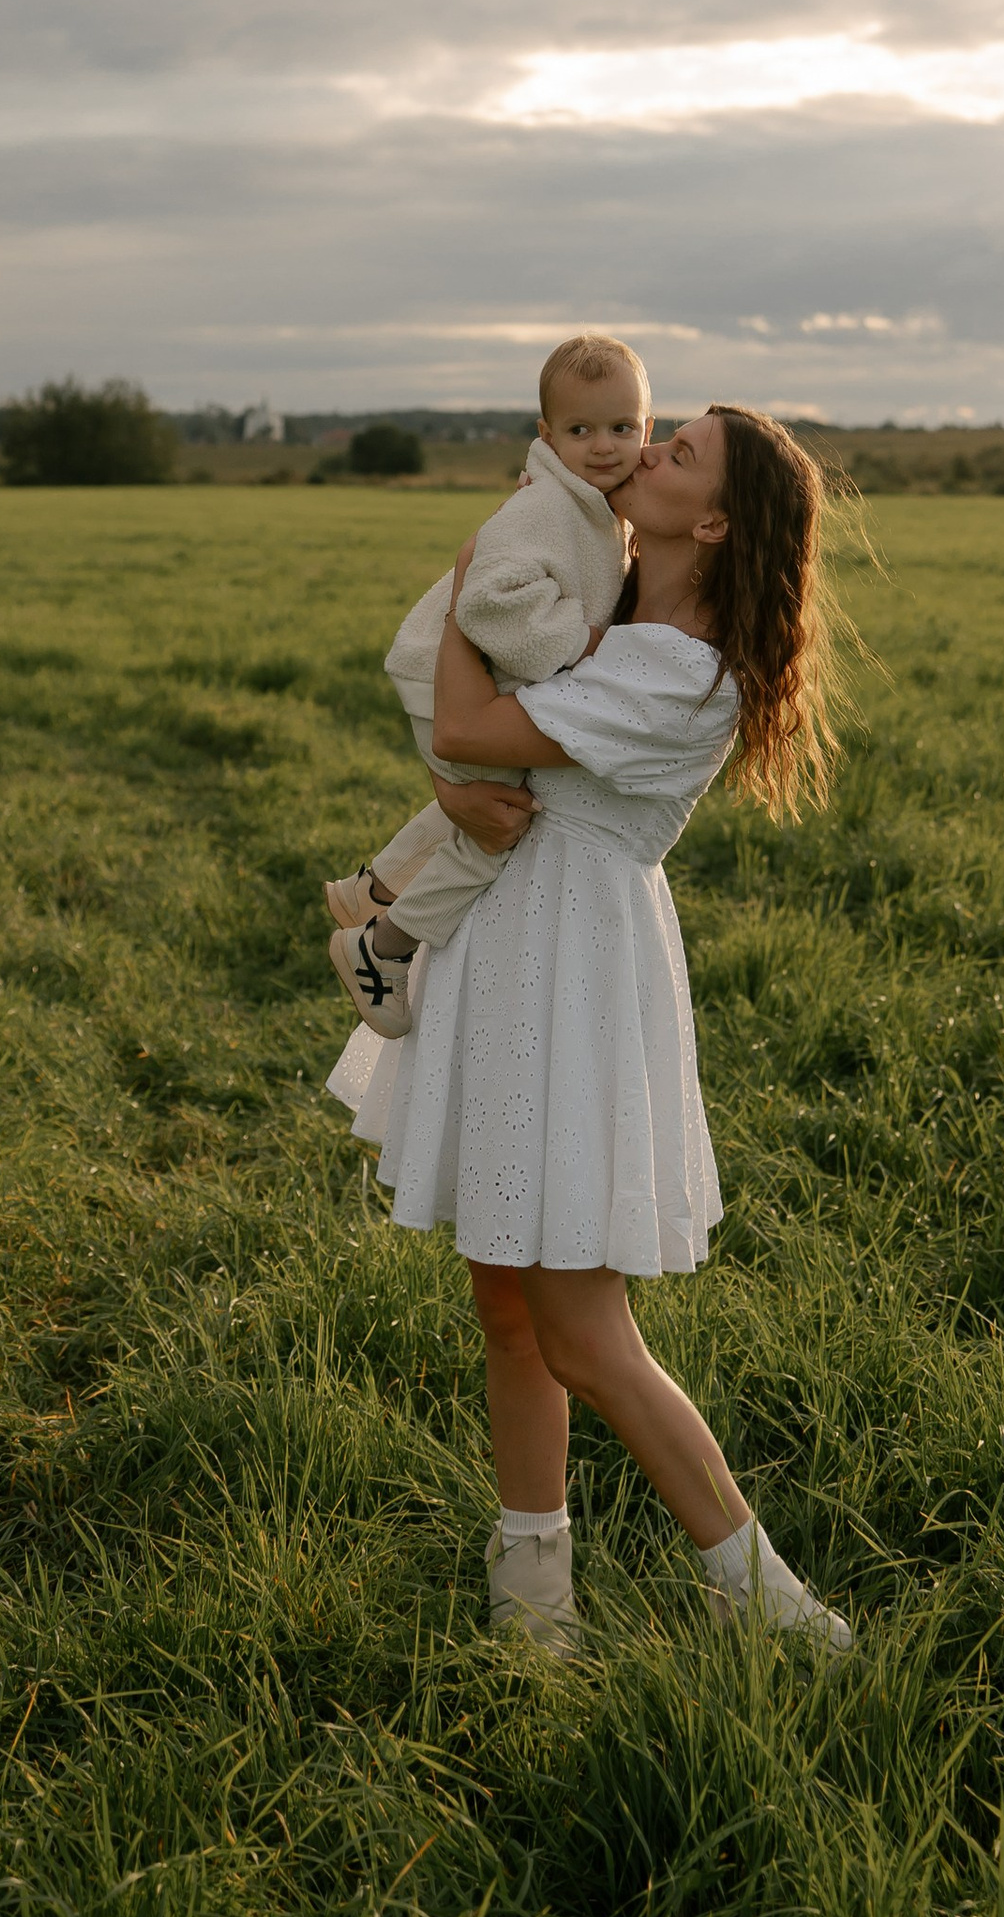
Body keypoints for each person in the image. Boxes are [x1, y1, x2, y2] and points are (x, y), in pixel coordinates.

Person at [325, 401, 853, 1655]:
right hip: (512, 949)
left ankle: (775, 1608)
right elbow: (475, 754)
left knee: (582, 1325)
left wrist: (468, 583)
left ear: (713, 520)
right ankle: (532, 1594)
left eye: (679, 453)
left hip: (574, 969)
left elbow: (464, 728)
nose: (646, 451)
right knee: (504, 1299)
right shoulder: (606, 608)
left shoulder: (683, 669)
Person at [323, 334, 648, 1038]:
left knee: (477, 799)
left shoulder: (593, 507)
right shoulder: (544, 508)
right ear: (546, 434)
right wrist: (583, 643)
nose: (603, 446)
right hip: (446, 677)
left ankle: (370, 888)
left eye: (622, 427)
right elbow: (490, 604)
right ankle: (381, 947)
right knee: (495, 825)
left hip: (457, 675)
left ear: (648, 427)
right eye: (580, 429)